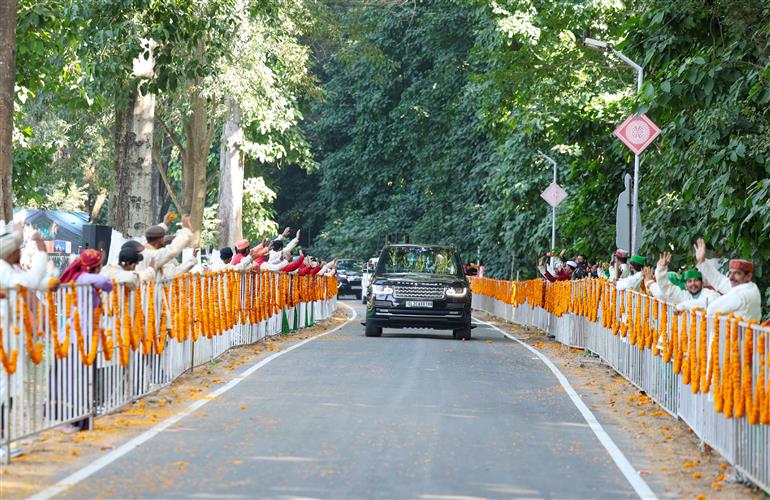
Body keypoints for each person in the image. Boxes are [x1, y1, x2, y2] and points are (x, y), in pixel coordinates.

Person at [694, 239, 762, 320]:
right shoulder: (751, 287)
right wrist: (702, 261)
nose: (731, 277)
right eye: (730, 273)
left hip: (740, 332)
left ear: (748, 276)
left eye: (737, 273)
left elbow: (711, 309)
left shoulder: (741, 295)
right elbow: (720, 281)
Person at [645, 252, 720, 311]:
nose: (693, 284)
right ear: (686, 285)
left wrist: (682, 306)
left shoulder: (711, 294)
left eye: (696, 280)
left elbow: (706, 303)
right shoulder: (685, 296)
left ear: (702, 283)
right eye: (689, 281)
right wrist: (661, 269)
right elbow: (667, 289)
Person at [138, 214, 193, 280]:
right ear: (161, 240)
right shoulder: (154, 256)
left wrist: (164, 224)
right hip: (151, 289)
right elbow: (173, 250)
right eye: (163, 238)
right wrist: (186, 230)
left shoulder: (143, 249)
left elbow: (147, 238)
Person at [0, 225, 54, 290]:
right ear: (11, 253)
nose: (19, 251)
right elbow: (29, 282)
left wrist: (48, 284)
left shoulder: (12, 269)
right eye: (17, 249)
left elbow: (25, 279)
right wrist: (42, 251)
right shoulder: (3, 270)